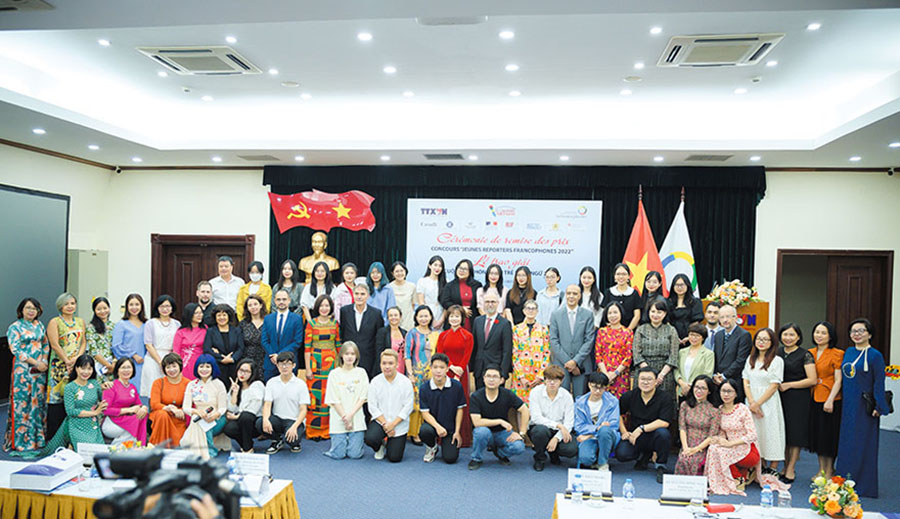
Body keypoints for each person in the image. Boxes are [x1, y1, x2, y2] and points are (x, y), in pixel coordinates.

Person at [835, 318, 890, 498]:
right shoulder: (849, 352)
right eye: (853, 331)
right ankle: (843, 481)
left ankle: (864, 486)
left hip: (865, 407)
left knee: (863, 444)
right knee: (847, 443)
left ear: (869, 334)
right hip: (847, 406)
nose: (856, 334)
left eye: (861, 331)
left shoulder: (875, 356)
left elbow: (879, 382)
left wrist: (879, 405)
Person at [36, 354, 105, 456]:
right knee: (87, 453)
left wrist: (107, 388)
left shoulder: (94, 383)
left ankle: (71, 447)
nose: (86, 372)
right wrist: (94, 412)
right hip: (76, 424)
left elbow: (103, 399)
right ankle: (71, 444)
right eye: (83, 368)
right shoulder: (70, 387)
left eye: (89, 369)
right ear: (76, 368)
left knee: (100, 453)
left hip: (92, 424)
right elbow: (70, 411)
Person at [4, 298, 49, 455]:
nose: (31, 311)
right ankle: (23, 441)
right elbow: (15, 350)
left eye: (34, 308)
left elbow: (45, 344)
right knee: (23, 403)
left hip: (40, 371)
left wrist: (44, 361)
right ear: (21, 310)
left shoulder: (40, 325)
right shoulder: (14, 327)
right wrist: (36, 363)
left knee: (38, 403)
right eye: (28, 308)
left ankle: (38, 439)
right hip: (23, 370)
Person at [616, 366, 675, 483]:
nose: (645, 382)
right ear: (637, 380)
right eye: (642, 379)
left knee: (663, 434)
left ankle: (661, 466)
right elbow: (617, 414)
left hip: (655, 435)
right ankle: (644, 455)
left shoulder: (665, 398)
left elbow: (664, 422)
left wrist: (642, 428)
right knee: (622, 454)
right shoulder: (630, 395)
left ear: (656, 381)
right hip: (635, 436)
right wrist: (624, 432)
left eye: (649, 379)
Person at [705, 379, 762, 495]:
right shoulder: (719, 410)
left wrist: (730, 444)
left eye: (729, 391)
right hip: (730, 447)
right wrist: (719, 440)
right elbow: (722, 432)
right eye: (723, 391)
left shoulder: (742, 409)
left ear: (736, 393)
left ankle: (738, 477)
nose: (726, 394)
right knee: (713, 448)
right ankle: (728, 479)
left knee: (722, 452)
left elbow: (752, 435)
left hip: (747, 448)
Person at [742, 327, 786, 475]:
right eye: (759, 339)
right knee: (756, 433)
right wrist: (751, 402)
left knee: (771, 432)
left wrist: (758, 403)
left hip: (768, 401)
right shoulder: (750, 359)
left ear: (772, 342)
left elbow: (774, 385)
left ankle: (773, 467)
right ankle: (759, 465)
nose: (761, 342)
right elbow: (745, 380)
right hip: (751, 401)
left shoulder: (777, 361)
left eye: (765, 339)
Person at [776, 322, 816, 483]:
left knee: (795, 435)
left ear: (798, 337)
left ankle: (791, 468)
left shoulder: (805, 354)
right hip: (780, 398)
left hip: (798, 398)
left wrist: (790, 385)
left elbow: (812, 380)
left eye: (792, 334)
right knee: (784, 434)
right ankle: (785, 466)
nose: (788, 338)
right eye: (785, 334)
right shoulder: (777, 352)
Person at [468, 366, 529, 470]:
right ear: (484, 379)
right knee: (481, 432)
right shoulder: (476, 396)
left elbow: (524, 410)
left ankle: (500, 453)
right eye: (488, 376)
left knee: (519, 447)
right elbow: (477, 422)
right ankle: (476, 458)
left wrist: (522, 433)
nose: (491, 379)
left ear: (501, 380)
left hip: (502, 433)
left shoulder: (507, 394)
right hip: (484, 431)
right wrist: (499, 421)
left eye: (495, 377)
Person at [46, 292, 87, 439]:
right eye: (66, 304)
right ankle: (54, 438)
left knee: (75, 400)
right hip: (59, 367)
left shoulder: (81, 321)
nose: (70, 306)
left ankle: (73, 437)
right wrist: (67, 360)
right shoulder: (55, 322)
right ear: (60, 306)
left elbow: (83, 342)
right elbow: (54, 344)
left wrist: (77, 359)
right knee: (57, 402)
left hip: (77, 365)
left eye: (72, 303)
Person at [435, 305, 475, 448]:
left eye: (457, 316)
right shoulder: (443, 335)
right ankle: (443, 437)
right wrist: (451, 367)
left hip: (461, 374)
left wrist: (459, 372)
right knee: (444, 402)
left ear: (462, 318)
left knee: (461, 402)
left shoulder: (467, 336)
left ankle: (462, 436)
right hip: (445, 372)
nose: (454, 319)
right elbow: (440, 353)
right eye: (452, 316)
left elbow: (467, 356)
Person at [365, 350, 414, 462]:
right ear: (380, 364)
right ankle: (380, 446)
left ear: (397, 364)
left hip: (398, 424)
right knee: (370, 438)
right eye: (384, 363)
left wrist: (393, 425)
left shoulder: (405, 382)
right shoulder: (375, 382)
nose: (387, 366)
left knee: (394, 458)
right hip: (381, 422)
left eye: (390, 363)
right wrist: (386, 425)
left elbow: (408, 407)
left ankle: (391, 444)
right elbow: (372, 407)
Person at [807, 321, 842, 479]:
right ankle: (821, 470)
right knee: (818, 437)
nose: (819, 335)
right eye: (817, 332)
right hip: (814, 397)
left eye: (823, 333)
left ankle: (830, 470)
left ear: (830, 336)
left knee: (829, 436)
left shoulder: (837, 353)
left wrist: (830, 399)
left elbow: (838, 379)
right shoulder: (810, 352)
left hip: (830, 399)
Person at [323, 342, 369, 460]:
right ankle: (338, 445)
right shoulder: (334, 374)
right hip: (339, 417)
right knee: (339, 455)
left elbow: (363, 397)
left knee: (355, 455)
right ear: (341, 355)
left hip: (356, 417)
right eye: (347, 353)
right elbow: (333, 399)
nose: (349, 357)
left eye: (352, 354)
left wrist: (350, 416)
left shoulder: (361, 372)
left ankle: (352, 442)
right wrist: (345, 417)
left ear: (356, 356)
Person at [419, 353, 467, 464]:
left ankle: (447, 443)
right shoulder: (424, 388)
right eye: (435, 367)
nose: (438, 371)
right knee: (424, 431)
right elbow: (425, 413)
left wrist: (457, 432)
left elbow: (460, 409)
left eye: (442, 367)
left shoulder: (456, 386)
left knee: (450, 458)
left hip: (450, 428)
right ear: (431, 368)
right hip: (433, 426)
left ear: (447, 369)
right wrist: (438, 427)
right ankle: (432, 447)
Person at [549, 284, 596, 397]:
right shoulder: (556, 314)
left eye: (575, 294)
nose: (571, 296)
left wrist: (575, 362)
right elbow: (553, 340)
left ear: (579, 296)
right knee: (561, 398)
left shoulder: (588, 315)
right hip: (561, 364)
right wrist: (568, 363)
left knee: (580, 398)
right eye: (569, 293)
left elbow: (589, 340)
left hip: (581, 365)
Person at [304, 294, 340, 440]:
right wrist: (308, 368)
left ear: (330, 308)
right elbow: (307, 348)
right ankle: (313, 431)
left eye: (327, 306)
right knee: (315, 397)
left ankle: (327, 430)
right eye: (321, 306)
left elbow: (338, 344)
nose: (324, 308)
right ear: (317, 307)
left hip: (331, 364)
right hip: (315, 364)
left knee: (328, 397)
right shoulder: (311, 324)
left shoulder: (335, 324)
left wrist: (340, 367)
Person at [258, 352, 309, 454]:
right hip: (277, 419)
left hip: (294, 420)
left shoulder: (301, 384)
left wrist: (294, 427)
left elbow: (303, 409)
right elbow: (267, 404)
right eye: (281, 364)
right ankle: (277, 440)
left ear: (293, 365)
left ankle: (294, 442)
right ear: (277, 366)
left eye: (288, 364)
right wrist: (265, 420)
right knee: (259, 423)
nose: (284, 367)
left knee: (292, 440)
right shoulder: (271, 382)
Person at [528, 364, 576, 471]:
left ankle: (553, 452)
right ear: (544, 380)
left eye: (556, 380)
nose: (552, 383)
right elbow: (536, 418)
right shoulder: (535, 392)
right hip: (540, 428)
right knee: (540, 432)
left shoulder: (567, 396)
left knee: (571, 449)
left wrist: (556, 438)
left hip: (559, 431)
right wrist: (558, 425)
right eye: (549, 380)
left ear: (561, 381)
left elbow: (569, 423)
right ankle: (539, 458)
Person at [183, 354, 229, 458]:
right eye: (201, 366)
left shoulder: (219, 384)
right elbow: (185, 407)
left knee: (204, 422)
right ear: (197, 368)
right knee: (198, 420)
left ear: (213, 368)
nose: (204, 369)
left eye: (208, 366)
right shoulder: (191, 385)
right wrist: (197, 412)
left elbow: (223, 408)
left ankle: (209, 452)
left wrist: (215, 415)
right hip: (198, 416)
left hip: (217, 418)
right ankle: (202, 451)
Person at [574, 371, 619, 471]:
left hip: (606, 437)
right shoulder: (580, 403)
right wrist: (596, 429)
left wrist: (592, 433)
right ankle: (595, 458)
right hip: (588, 437)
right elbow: (578, 426)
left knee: (605, 430)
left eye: (601, 388)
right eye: (595, 387)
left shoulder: (612, 401)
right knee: (586, 459)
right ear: (589, 385)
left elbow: (614, 425)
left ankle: (602, 463)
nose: (598, 391)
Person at [675, 375, 720, 475]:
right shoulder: (685, 405)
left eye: (703, 388)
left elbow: (712, 436)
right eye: (696, 387)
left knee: (695, 461)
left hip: (703, 444)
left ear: (709, 391)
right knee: (684, 459)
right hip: (687, 441)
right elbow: (682, 428)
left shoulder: (714, 410)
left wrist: (696, 449)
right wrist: (685, 447)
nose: (699, 391)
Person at [633, 299, 679, 395]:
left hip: (664, 373)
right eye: (653, 311)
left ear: (665, 313)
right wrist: (649, 374)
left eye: (659, 312)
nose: (655, 315)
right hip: (644, 371)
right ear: (648, 312)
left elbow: (673, 356)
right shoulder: (641, 329)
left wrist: (661, 375)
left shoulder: (671, 330)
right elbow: (636, 354)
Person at [405, 305, 437, 443]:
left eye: (426, 316)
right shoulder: (412, 333)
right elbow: (407, 355)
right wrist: (410, 374)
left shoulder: (435, 334)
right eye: (421, 316)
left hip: (432, 374)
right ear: (416, 317)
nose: (424, 319)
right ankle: (415, 432)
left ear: (430, 317)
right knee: (416, 403)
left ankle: (428, 431)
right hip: (416, 373)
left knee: (430, 401)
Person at [339, 283, 385, 378]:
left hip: (369, 359)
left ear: (368, 296)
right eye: (357, 294)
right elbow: (342, 333)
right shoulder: (344, 311)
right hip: (349, 358)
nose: (359, 297)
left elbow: (379, 339)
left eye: (362, 294)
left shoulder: (376, 314)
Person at [471, 289, 513, 389]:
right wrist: (473, 368)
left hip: (496, 371)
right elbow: (475, 346)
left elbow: (507, 351)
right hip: (479, 369)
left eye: (493, 302)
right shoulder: (477, 321)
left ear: (498, 303)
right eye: (487, 302)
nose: (490, 304)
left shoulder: (504, 324)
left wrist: (504, 373)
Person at [102, 357, 149, 445]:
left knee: (142, 415)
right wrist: (128, 410)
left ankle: (136, 446)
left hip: (125, 421)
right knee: (135, 422)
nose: (126, 370)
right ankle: (120, 448)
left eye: (129, 367)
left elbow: (139, 404)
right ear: (117, 370)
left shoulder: (132, 387)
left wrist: (144, 408)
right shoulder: (111, 386)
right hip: (112, 422)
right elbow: (105, 410)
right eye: (123, 367)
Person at [510, 299, 549, 402]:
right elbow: (514, 353)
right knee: (520, 405)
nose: (531, 311)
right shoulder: (517, 329)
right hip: (521, 376)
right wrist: (521, 376)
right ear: (523, 311)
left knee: (538, 403)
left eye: (533, 309)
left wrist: (541, 375)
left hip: (538, 376)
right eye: (528, 308)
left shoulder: (543, 330)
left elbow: (547, 353)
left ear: (537, 311)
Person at [223, 359, 265, 453]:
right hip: (242, 420)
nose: (242, 374)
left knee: (246, 416)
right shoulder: (236, 385)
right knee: (229, 429)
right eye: (241, 370)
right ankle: (246, 444)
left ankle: (247, 449)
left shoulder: (257, 385)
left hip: (256, 422)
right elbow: (231, 408)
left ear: (252, 373)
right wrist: (235, 393)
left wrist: (236, 417)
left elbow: (253, 410)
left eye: (247, 371)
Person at [261, 289, 304, 380]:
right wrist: (273, 355)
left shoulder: (297, 319)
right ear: (275, 301)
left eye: (284, 299)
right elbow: (264, 340)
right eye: (278, 299)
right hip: (271, 363)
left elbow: (297, 341)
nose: (281, 302)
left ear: (289, 300)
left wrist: (280, 356)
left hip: (289, 363)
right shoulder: (268, 319)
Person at [142, 295, 180, 398]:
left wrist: (170, 362)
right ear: (157, 308)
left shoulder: (177, 324)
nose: (165, 309)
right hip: (153, 359)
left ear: (172, 308)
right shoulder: (150, 323)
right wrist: (161, 363)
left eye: (167, 306)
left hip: (171, 359)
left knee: (170, 390)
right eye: (162, 306)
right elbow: (148, 345)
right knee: (153, 390)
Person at [149, 353, 190, 447]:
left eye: (174, 366)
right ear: (164, 369)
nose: (171, 370)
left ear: (180, 366)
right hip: (160, 418)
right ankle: (159, 447)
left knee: (179, 444)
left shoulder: (188, 383)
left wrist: (180, 410)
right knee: (162, 414)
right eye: (168, 367)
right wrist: (170, 408)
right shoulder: (158, 383)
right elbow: (154, 404)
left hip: (179, 418)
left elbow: (190, 405)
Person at [594, 301, 634, 398]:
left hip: (621, 374)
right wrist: (606, 375)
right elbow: (598, 354)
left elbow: (628, 357)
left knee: (621, 402)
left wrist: (615, 374)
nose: (612, 316)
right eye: (609, 313)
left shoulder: (628, 332)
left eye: (615, 312)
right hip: (603, 374)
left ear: (621, 313)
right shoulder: (602, 332)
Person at [112, 293, 146, 401]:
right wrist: (133, 355)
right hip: (129, 365)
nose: (134, 307)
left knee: (144, 393)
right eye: (131, 304)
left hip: (145, 364)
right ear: (127, 306)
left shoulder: (146, 324)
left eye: (137, 304)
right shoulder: (121, 324)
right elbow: (116, 345)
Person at [203, 304, 244, 386]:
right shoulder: (210, 331)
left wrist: (232, 359)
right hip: (217, 366)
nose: (221, 318)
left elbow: (241, 348)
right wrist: (221, 358)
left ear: (229, 316)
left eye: (224, 315)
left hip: (234, 366)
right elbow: (207, 349)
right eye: (219, 315)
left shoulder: (236, 331)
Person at [712, 304, 752, 386]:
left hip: (734, 381)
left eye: (728, 316)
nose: (725, 320)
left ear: (736, 318)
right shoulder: (718, 335)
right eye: (722, 317)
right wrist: (715, 375)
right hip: (718, 381)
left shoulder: (744, 335)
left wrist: (724, 375)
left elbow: (741, 360)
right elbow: (715, 357)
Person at [439, 259, 482, 332]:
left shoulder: (477, 285)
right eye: (460, 268)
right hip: (454, 320)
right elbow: (444, 302)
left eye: (465, 269)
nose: (461, 271)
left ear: (470, 271)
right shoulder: (449, 285)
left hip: (473, 321)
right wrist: (460, 309)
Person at [674, 323, 716, 398]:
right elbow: (676, 370)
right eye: (691, 335)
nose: (693, 338)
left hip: (698, 391)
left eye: (697, 336)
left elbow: (707, 374)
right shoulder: (682, 352)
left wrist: (691, 386)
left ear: (703, 338)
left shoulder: (708, 354)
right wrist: (682, 384)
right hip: (682, 390)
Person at [666, 274, 704, 347]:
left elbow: (696, 322)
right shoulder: (668, 302)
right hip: (671, 338)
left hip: (691, 338)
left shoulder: (695, 302)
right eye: (677, 285)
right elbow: (667, 322)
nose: (679, 287)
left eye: (682, 285)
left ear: (687, 286)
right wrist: (674, 336)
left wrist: (689, 336)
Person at [173, 303, 207, 381]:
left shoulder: (205, 329)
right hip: (185, 363)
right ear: (189, 314)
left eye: (201, 312)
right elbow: (176, 351)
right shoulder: (181, 331)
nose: (200, 315)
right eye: (196, 313)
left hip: (201, 363)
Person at [602, 263, 641, 330]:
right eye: (618, 274)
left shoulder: (634, 293)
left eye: (624, 274)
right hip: (611, 332)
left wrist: (627, 331)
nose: (621, 277)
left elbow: (637, 316)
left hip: (630, 332)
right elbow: (604, 313)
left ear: (628, 276)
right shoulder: (608, 292)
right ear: (614, 276)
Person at [239, 294, 268, 381]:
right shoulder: (243, 324)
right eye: (250, 305)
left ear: (261, 305)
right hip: (247, 359)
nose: (253, 307)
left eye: (255, 304)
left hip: (264, 359)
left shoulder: (268, 321)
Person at [86, 297, 116, 382]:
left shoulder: (114, 326)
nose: (102, 311)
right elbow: (93, 350)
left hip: (113, 366)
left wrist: (114, 364)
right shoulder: (90, 327)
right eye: (99, 309)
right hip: (97, 365)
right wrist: (107, 365)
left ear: (109, 308)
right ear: (94, 311)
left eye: (105, 308)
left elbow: (116, 347)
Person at [416, 256, 446, 329]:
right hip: (427, 316)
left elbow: (447, 304)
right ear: (429, 266)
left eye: (440, 266)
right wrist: (431, 319)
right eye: (435, 265)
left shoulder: (446, 282)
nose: (437, 268)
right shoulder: (422, 281)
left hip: (441, 316)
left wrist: (441, 320)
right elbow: (421, 302)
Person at [375, 307, 406, 374]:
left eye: (395, 315)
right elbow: (379, 353)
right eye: (391, 315)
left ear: (400, 317)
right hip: (388, 367)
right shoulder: (382, 332)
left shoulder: (405, 333)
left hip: (402, 366)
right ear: (388, 318)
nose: (393, 317)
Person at [388, 261, 417, 330]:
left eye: (402, 271)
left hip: (408, 322)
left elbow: (413, 304)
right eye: (397, 271)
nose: (400, 273)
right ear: (392, 273)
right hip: (393, 322)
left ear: (405, 272)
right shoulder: (389, 287)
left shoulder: (412, 286)